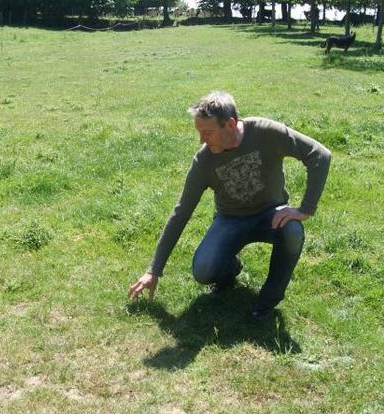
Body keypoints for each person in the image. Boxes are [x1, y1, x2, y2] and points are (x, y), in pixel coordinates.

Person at [127, 91, 331, 320]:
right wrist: (154, 270)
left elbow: (320, 155)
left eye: (207, 132)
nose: (201, 140)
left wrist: (304, 210)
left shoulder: (266, 132)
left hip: (271, 215)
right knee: (203, 270)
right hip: (230, 220)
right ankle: (230, 271)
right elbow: (181, 212)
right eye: (199, 132)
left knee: (293, 231)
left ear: (230, 124)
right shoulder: (203, 161)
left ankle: (266, 303)